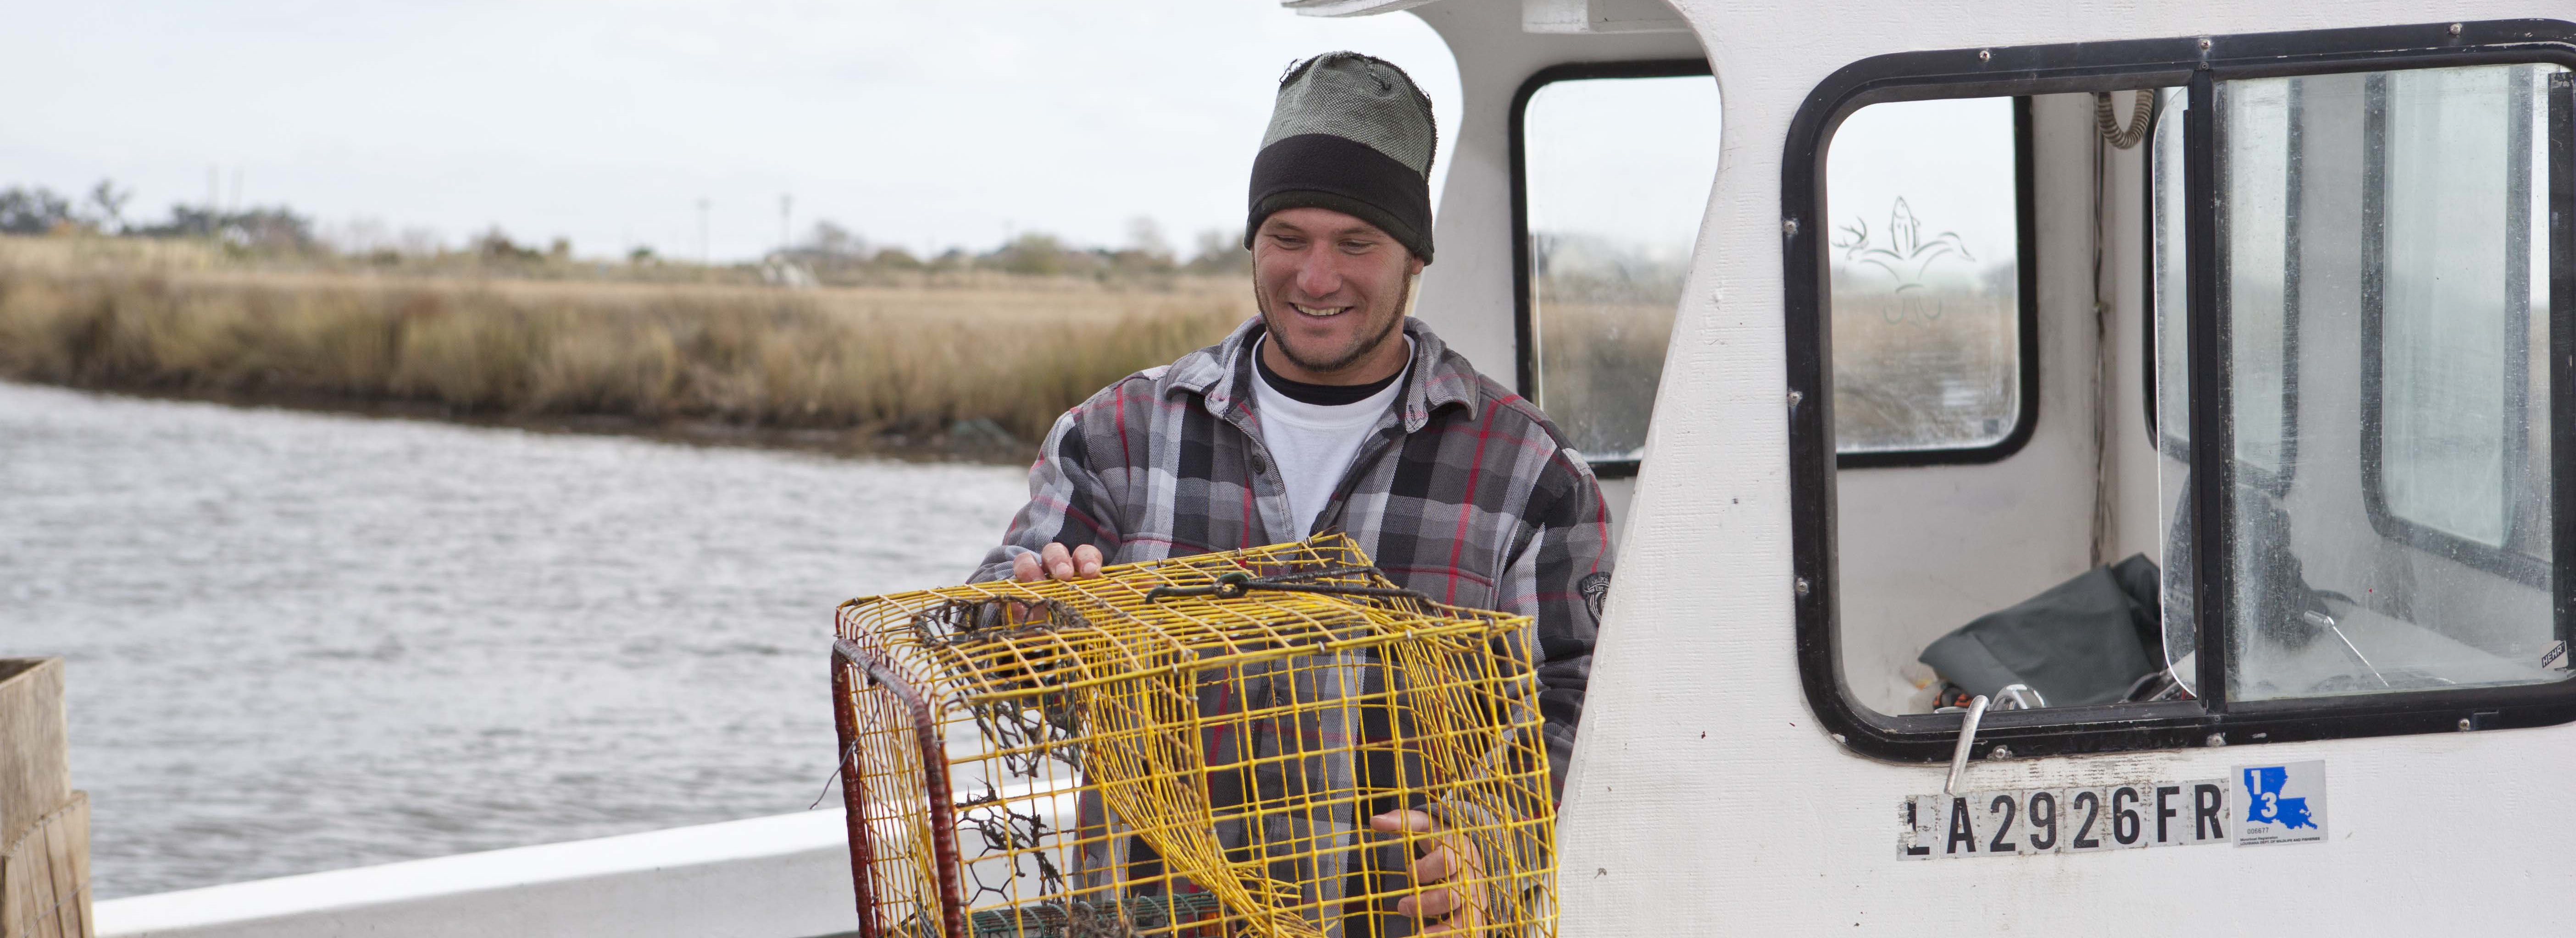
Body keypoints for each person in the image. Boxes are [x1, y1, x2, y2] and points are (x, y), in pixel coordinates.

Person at [972, 51, 1614, 936]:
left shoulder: (1529, 472)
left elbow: (1583, 701)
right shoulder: (1116, 434)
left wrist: (1492, 844)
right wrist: (1028, 620)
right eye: (1288, 239)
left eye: (1356, 243)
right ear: (1252, 242)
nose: (1317, 278)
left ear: (1414, 257)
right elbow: (993, 657)